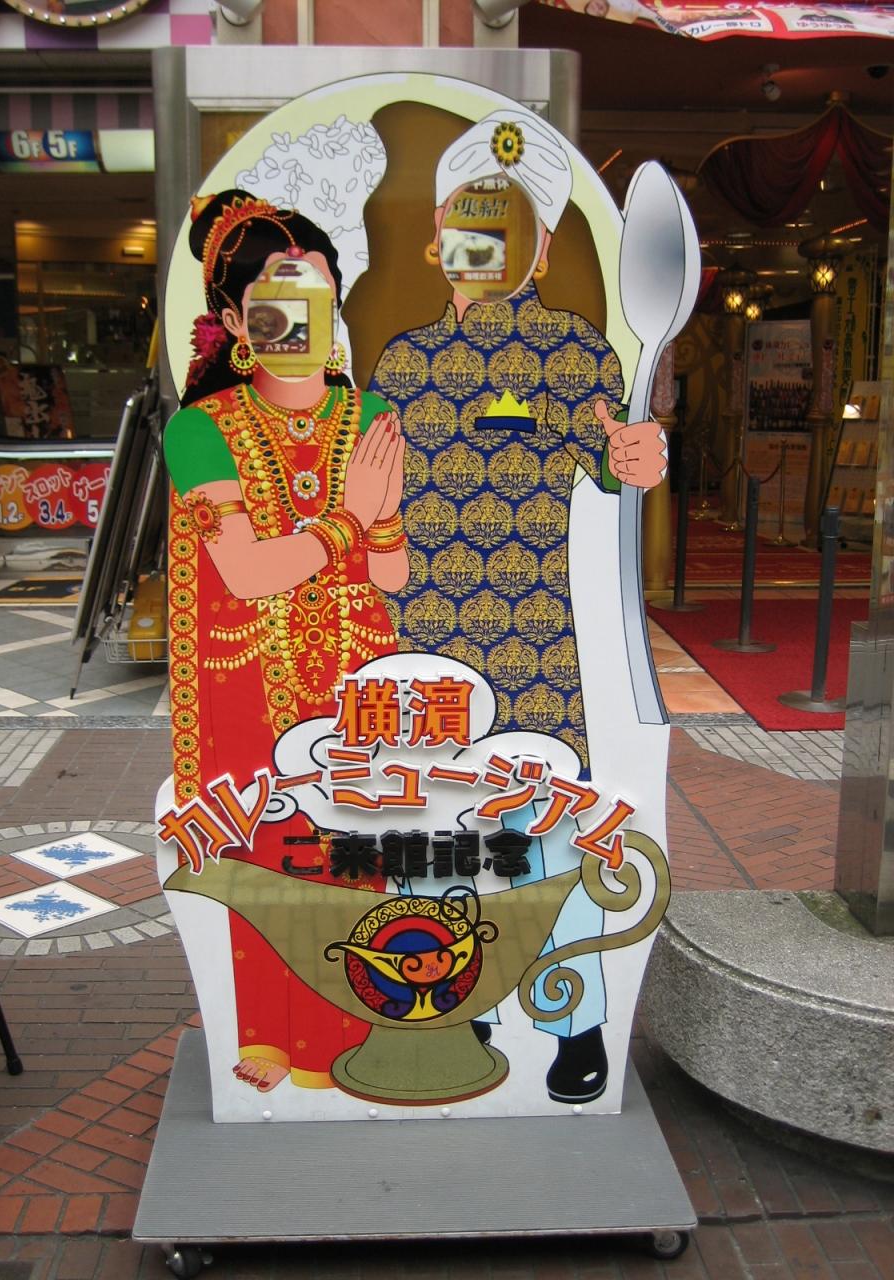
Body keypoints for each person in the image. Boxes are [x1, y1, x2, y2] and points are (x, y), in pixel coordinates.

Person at [367, 111, 664, 1104]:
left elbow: (613, 466)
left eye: (509, 228)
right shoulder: (400, 365)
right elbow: (369, 508)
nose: (486, 246)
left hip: (540, 656)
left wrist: (639, 459)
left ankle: (573, 1023)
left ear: (540, 247)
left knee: (545, 842)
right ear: (437, 238)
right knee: (431, 835)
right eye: (468, 224)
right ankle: (453, 1003)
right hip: (426, 649)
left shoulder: (578, 354)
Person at [163, 190, 409, 1093]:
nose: (301, 317)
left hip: (355, 677)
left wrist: (383, 524)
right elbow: (243, 572)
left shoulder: (369, 413)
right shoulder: (201, 429)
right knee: (271, 853)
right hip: (253, 686)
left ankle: (361, 1023)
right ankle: (270, 1033)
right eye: (276, 298)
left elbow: (393, 576)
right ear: (234, 320)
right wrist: (351, 519)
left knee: (356, 849)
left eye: (318, 295)